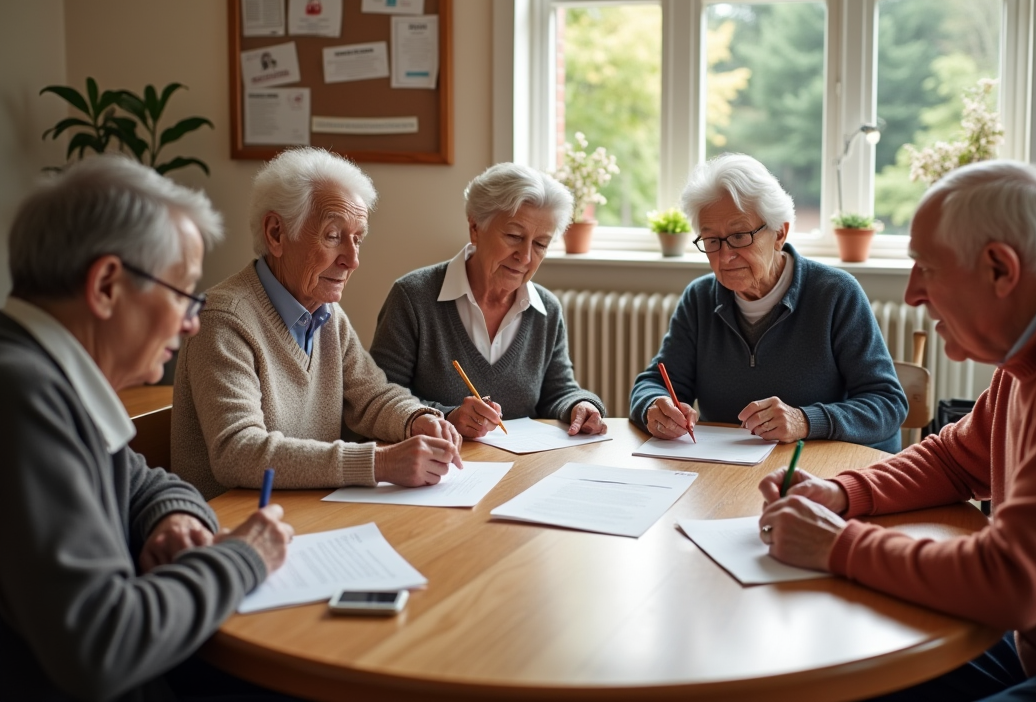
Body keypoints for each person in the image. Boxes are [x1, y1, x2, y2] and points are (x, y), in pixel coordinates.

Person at [758, 160, 1036, 700]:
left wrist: (837, 545)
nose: (913, 293)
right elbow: (953, 460)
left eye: (926, 266)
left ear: (999, 269)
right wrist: (841, 493)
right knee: (838, 668)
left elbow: (1015, 581)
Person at [0, 156, 295, 700]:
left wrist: (172, 518)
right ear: (107, 284)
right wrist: (244, 556)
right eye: (183, 292)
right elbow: (100, 644)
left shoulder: (53, 378)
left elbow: (143, 481)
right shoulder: (24, 397)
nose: (192, 322)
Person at [173, 147, 462, 500]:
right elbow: (238, 451)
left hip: (309, 510)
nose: (352, 260)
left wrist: (416, 418)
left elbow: (371, 397)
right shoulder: (223, 319)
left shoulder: (326, 314)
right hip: (235, 526)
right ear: (276, 234)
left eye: (358, 238)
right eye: (333, 235)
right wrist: (379, 463)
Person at [629, 153, 907, 453]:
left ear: (779, 233)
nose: (724, 257)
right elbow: (655, 383)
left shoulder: (835, 294)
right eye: (711, 241)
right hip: (725, 473)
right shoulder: (699, 298)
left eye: (739, 236)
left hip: (816, 473)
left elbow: (887, 404)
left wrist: (805, 420)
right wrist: (654, 407)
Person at [370, 162, 605, 439]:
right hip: (440, 469)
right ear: (475, 228)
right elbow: (379, 400)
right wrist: (448, 416)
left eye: (540, 244)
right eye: (514, 236)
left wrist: (581, 405)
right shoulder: (413, 298)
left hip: (521, 467)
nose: (526, 257)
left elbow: (558, 391)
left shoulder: (547, 309)